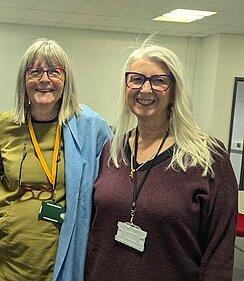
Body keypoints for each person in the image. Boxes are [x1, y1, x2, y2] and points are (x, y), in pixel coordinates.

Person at [85, 38, 238, 280]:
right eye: (136, 79)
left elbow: (219, 254)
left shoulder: (209, 158)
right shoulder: (111, 151)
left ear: (174, 90)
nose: (145, 90)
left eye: (159, 81)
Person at [0, 38, 112, 281]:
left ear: (66, 79)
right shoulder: (5, 124)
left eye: (55, 71)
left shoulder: (91, 127)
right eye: (35, 71)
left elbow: (110, 186)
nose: (44, 79)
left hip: (59, 259)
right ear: (24, 79)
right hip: (5, 256)